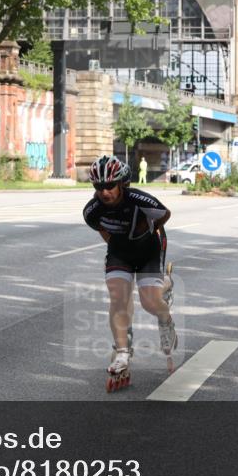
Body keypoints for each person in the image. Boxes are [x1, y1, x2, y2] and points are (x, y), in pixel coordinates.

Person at [83, 155, 176, 391]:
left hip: (149, 249)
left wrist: (147, 228)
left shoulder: (139, 199)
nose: (104, 192)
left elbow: (165, 215)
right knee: (118, 296)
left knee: (150, 301)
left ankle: (165, 310)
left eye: (109, 186)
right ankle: (122, 351)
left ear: (122, 184)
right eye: (99, 186)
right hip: (120, 252)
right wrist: (119, 245)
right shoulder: (91, 211)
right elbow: (103, 231)